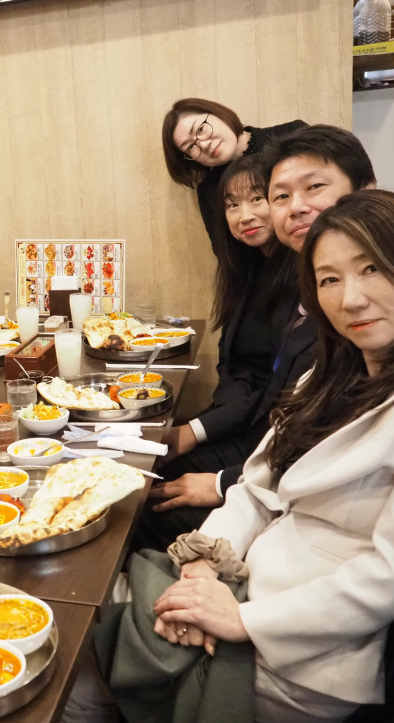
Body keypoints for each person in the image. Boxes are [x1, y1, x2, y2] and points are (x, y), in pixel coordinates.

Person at [62, 189, 394, 723]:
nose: (351, 299)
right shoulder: (331, 375)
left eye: (372, 268)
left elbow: (385, 577)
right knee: (88, 613)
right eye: (330, 279)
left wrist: (242, 619)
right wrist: (203, 564)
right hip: (238, 579)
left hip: (307, 650)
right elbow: (256, 487)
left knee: (72, 673)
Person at [137, 126, 376, 551]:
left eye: (314, 187)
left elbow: (323, 448)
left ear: (366, 191)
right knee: (141, 481)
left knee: (140, 512)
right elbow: (249, 378)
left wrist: (223, 480)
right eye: (282, 195)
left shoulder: (354, 312)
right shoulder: (270, 275)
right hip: (265, 457)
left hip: (300, 503)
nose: (296, 207)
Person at [161, 98, 306, 257]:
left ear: (219, 114)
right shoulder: (210, 189)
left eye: (201, 129)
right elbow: (227, 255)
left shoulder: (292, 135)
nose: (203, 145)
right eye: (190, 147)